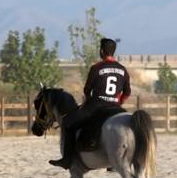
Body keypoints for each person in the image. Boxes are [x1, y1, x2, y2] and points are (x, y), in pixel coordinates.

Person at [49, 37, 131, 169]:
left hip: (97, 105)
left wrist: (88, 101)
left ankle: (67, 159)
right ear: (113, 51)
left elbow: (87, 90)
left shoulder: (97, 68)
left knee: (68, 122)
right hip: (115, 107)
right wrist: (118, 102)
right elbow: (127, 92)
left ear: (102, 51)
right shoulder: (123, 69)